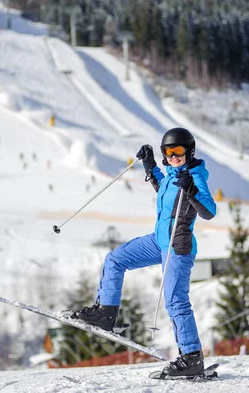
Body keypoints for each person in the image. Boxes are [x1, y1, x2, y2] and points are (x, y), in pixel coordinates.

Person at [71, 127, 216, 378]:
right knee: (115, 259)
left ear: (190, 151)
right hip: (158, 241)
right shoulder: (172, 175)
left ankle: (191, 357)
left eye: (178, 151)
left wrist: (191, 188)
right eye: (168, 152)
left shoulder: (195, 176)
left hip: (177, 247)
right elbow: (162, 187)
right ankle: (106, 312)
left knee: (175, 301)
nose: (173, 156)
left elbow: (209, 211)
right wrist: (150, 166)